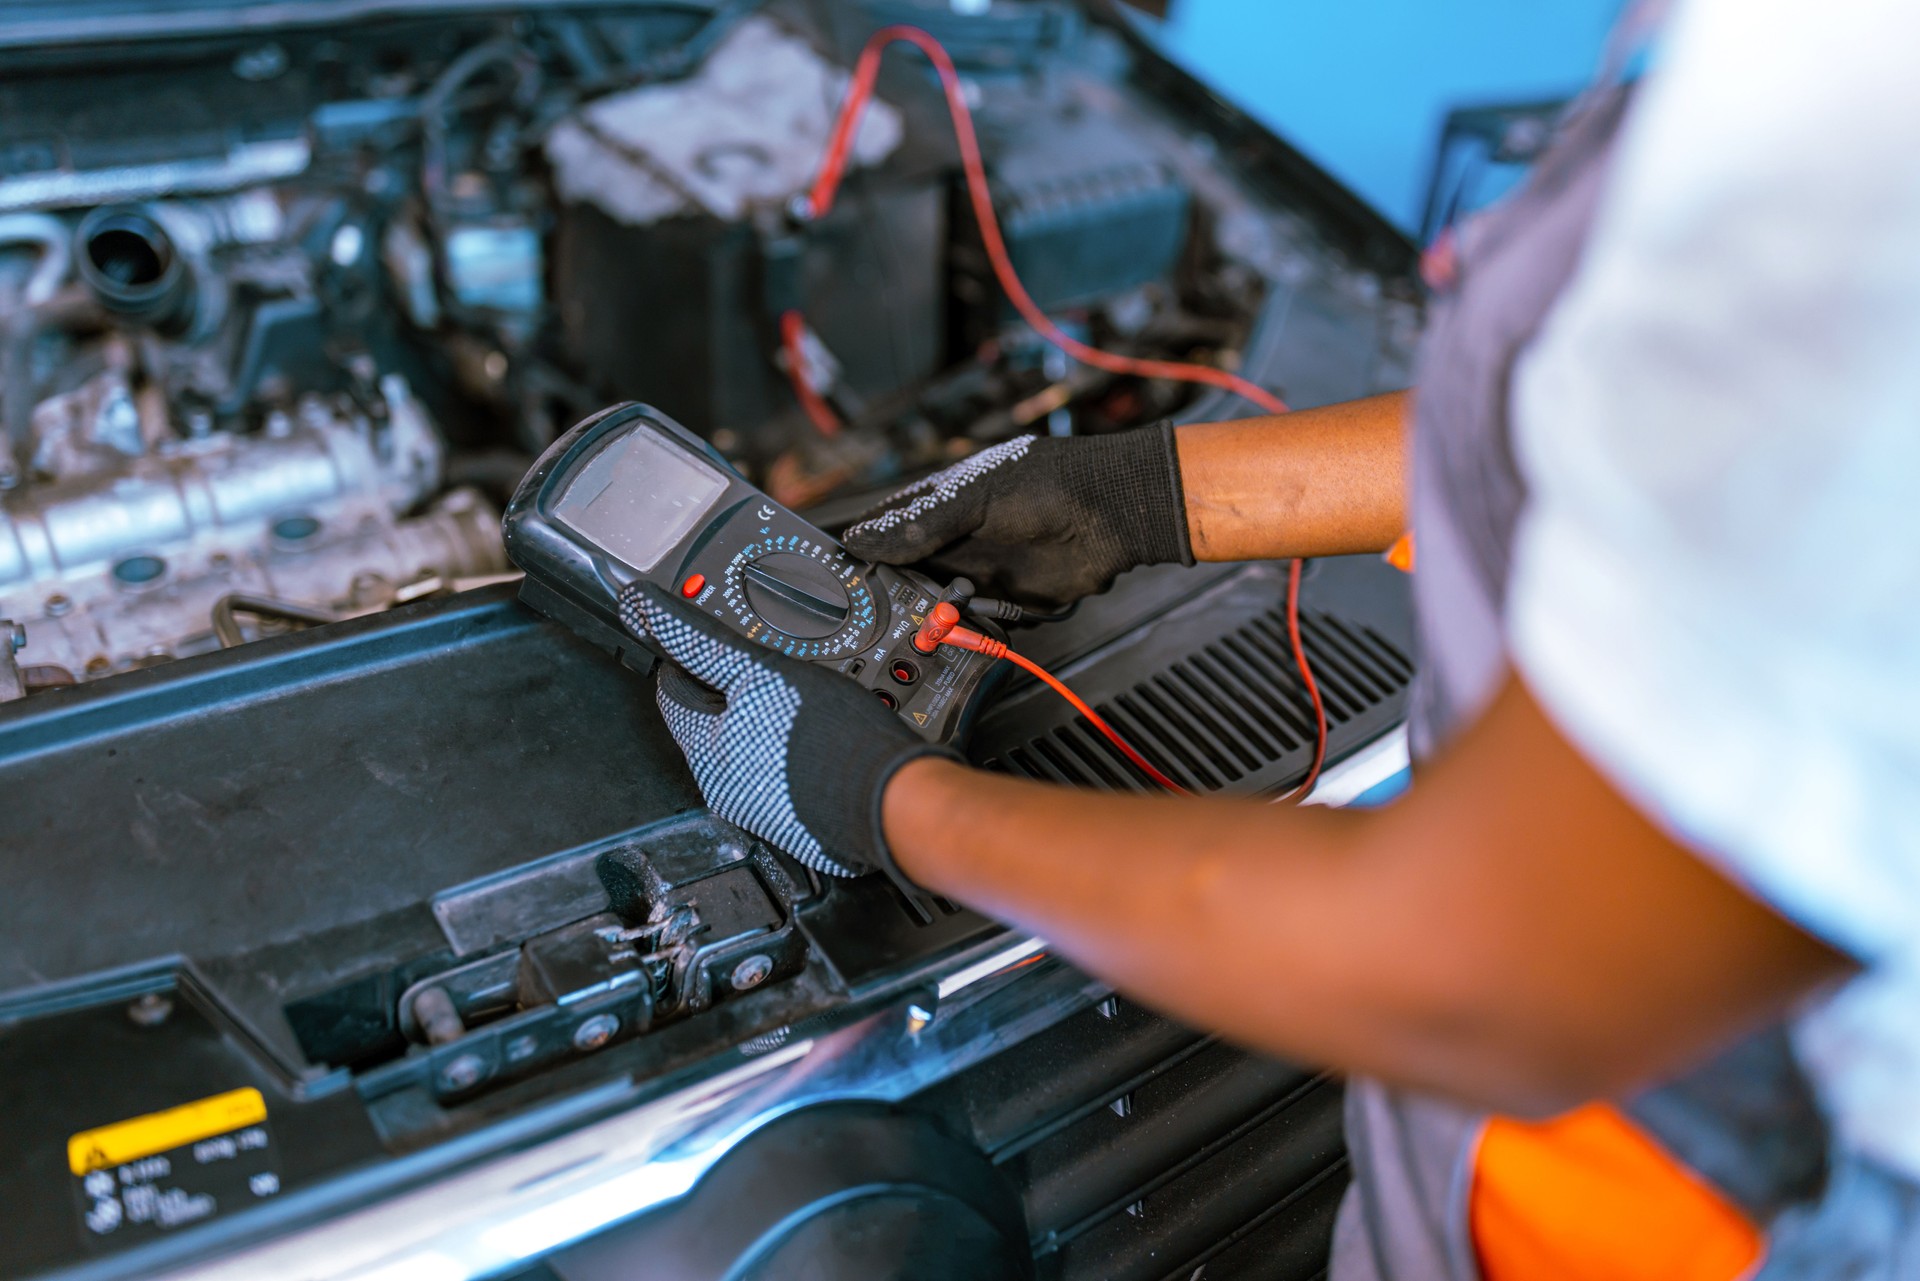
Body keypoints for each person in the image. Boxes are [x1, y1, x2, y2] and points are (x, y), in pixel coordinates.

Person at [618, 0, 1920, 1274]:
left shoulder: (1862, 143)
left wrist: (895, 802)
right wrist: (1146, 497)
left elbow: (1478, 973)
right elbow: (1648, 439)